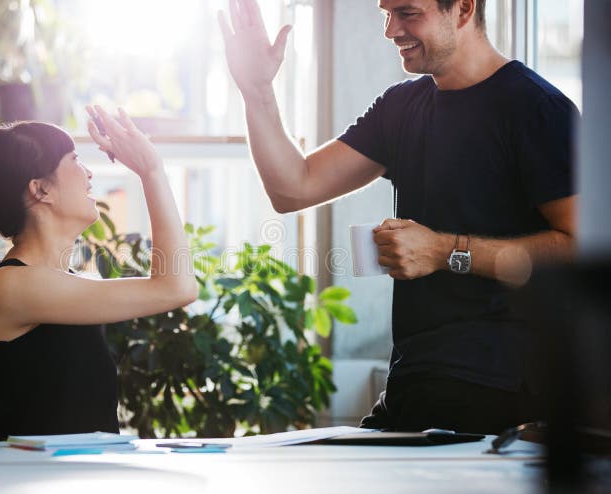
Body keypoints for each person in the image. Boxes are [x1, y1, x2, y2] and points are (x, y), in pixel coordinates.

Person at [219, 0, 577, 434]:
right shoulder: (401, 106)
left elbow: (582, 245)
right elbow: (292, 187)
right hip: (417, 379)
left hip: (501, 386)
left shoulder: (538, 110)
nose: (390, 31)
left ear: (462, 9)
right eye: (385, 13)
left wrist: (446, 250)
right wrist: (256, 89)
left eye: (407, 13)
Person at [0, 109, 197, 440]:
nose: (89, 174)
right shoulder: (13, 286)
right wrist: (152, 171)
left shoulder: (63, 283)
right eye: (74, 160)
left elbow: (174, 287)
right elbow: (176, 288)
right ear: (40, 189)